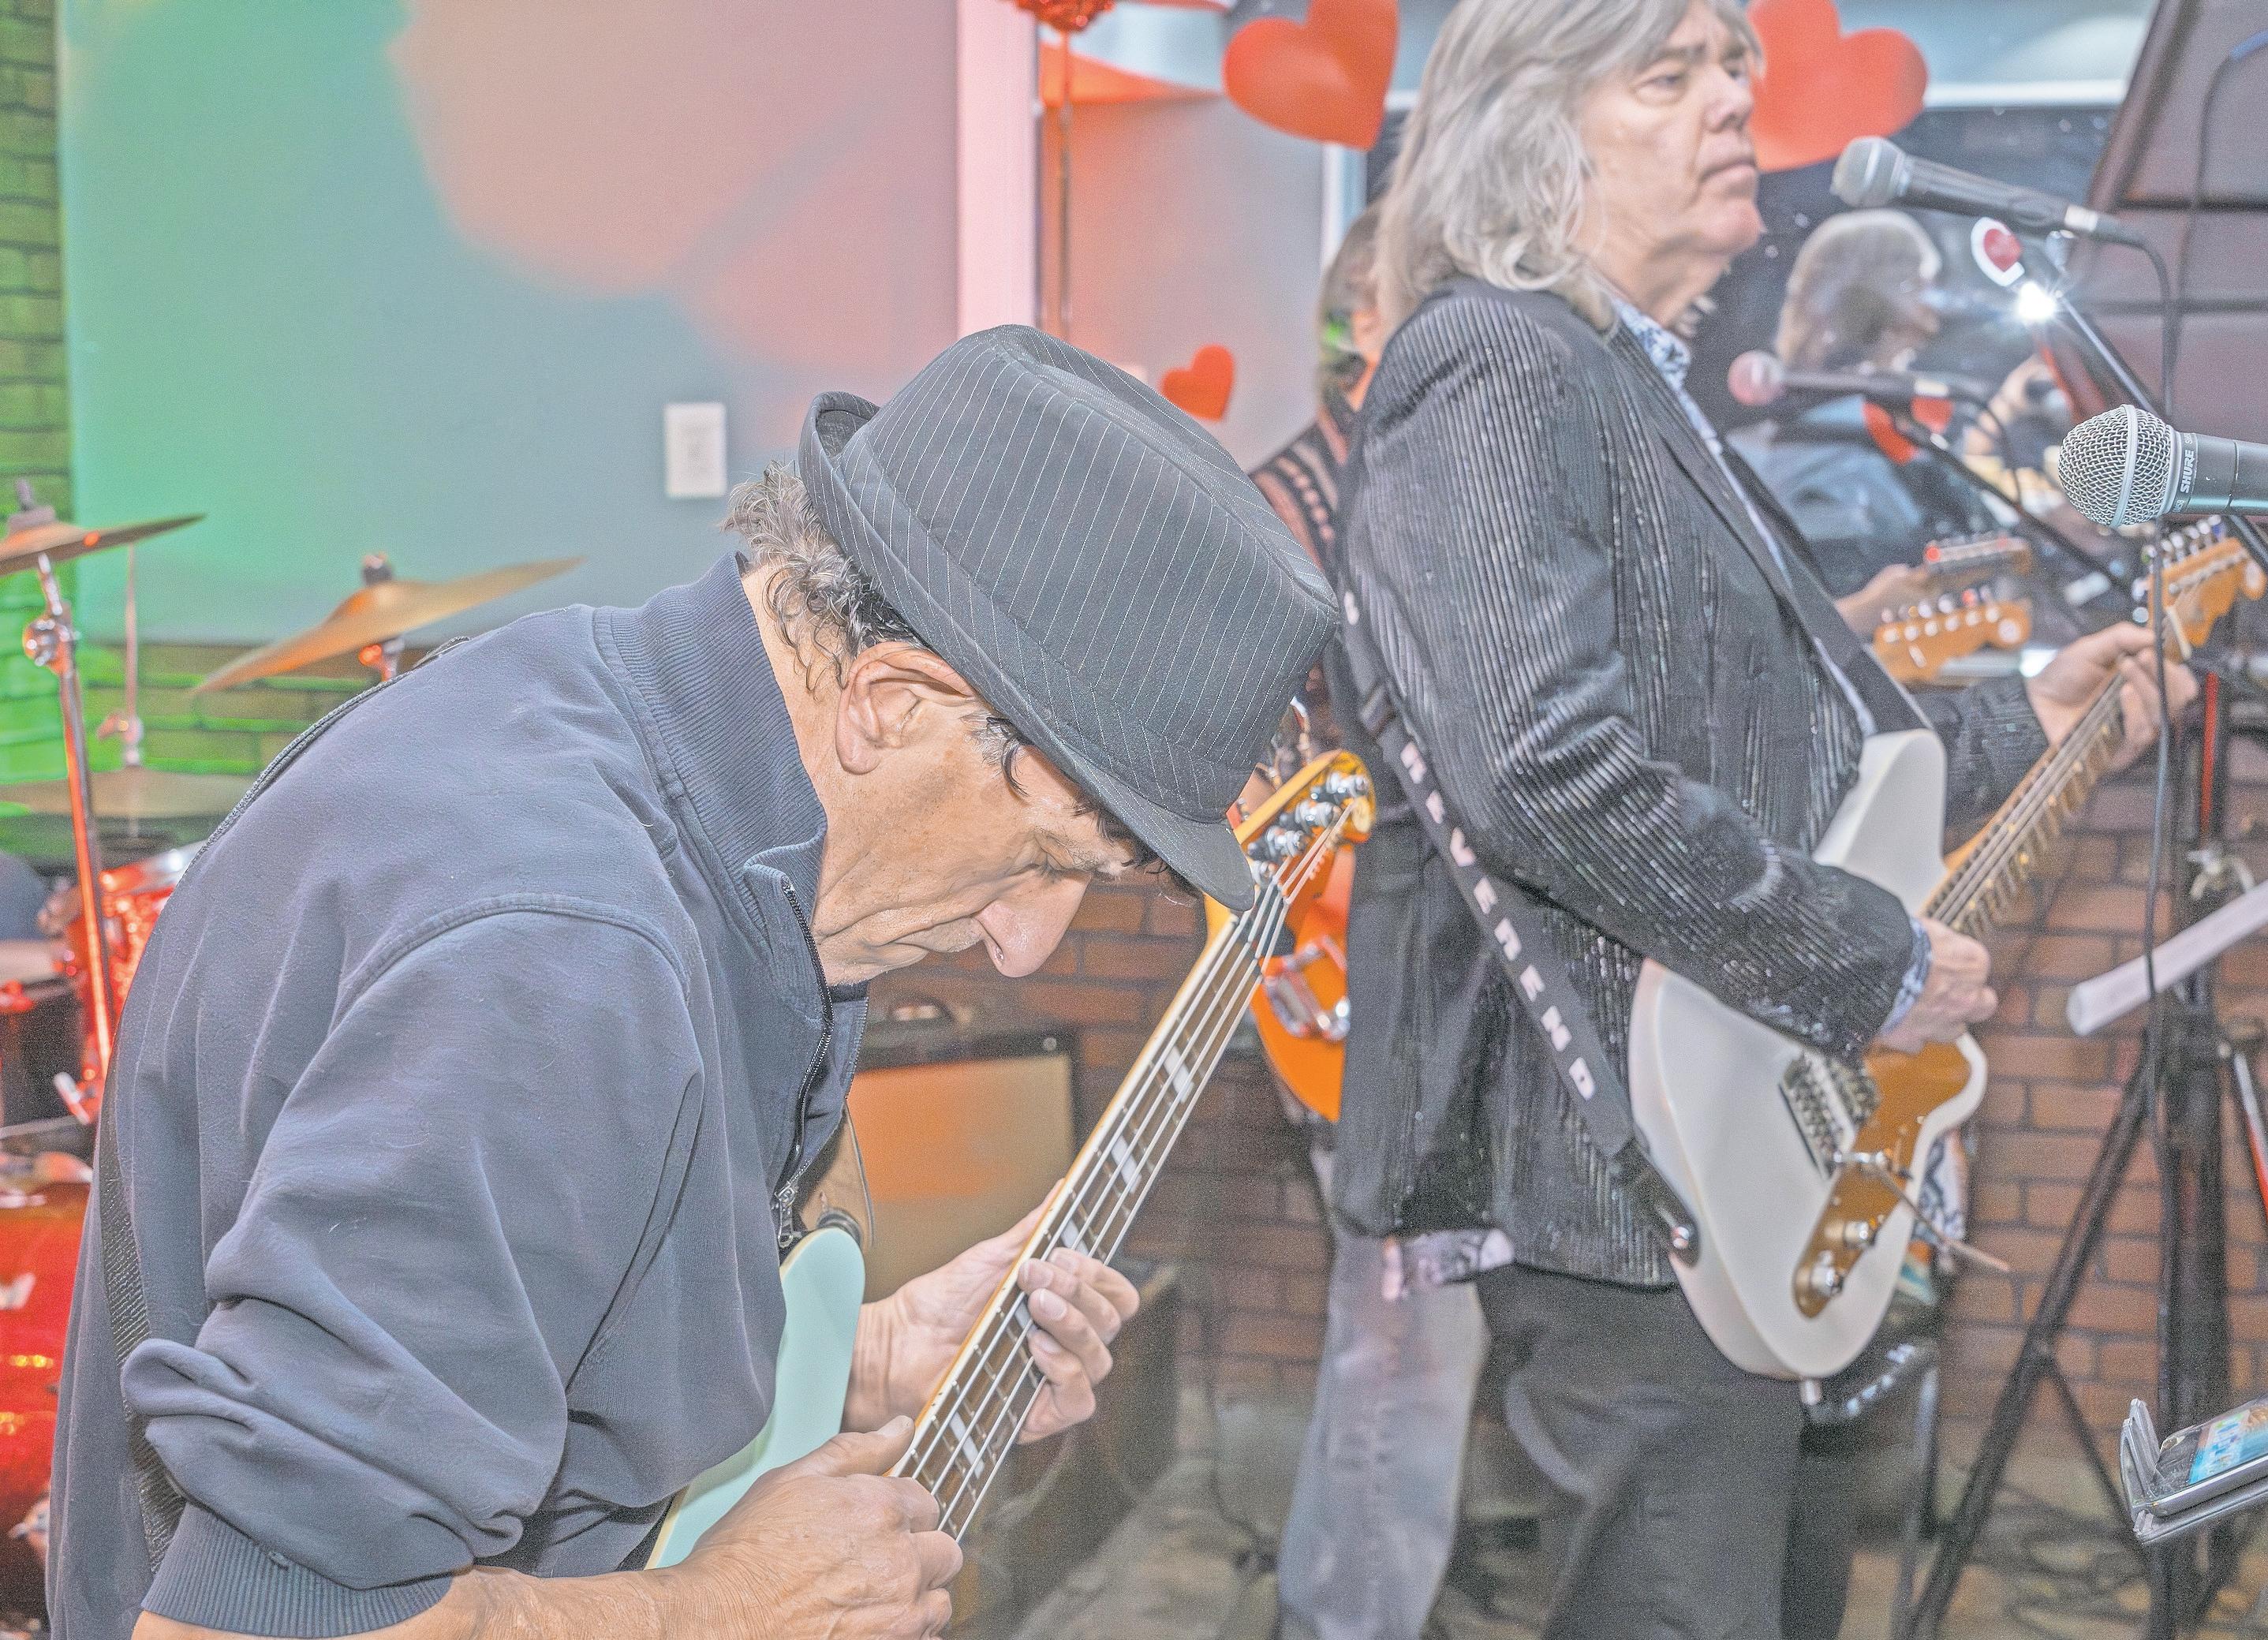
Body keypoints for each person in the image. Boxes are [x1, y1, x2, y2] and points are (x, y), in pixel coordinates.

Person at [51, 326, 1336, 1640]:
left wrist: (868, 1357)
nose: (1024, 943)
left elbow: (570, 1313)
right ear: (893, 700)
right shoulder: (559, 965)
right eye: (1045, 860)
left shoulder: (677, 762)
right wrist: (714, 1609)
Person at [1326, 4, 2194, 1637]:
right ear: (1531, 138)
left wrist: (2032, 715)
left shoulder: (1620, 380)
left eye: (1734, 63)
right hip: (1624, 1155)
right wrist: (1868, 961)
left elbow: (1790, 754)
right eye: (1669, 73)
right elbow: (1539, 762)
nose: (1736, 98)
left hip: (1717, 1135)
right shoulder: (1498, 356)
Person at [1253, 206, 1490, 1640]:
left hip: (1429, 963)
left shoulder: (1418, 487)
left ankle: (1351, 1604)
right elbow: (1238, 753)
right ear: (1364, 323)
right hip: (1360, 968)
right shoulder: (1292, 501)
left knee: (1411, 1338)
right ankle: (1344, 1614)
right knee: (1402, 1340)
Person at [1730, 209, 1992, 629]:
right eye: (1921, 286)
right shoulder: (1841, 429)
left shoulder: (1858, 420)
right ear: (1883, 293)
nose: (1932, 318)